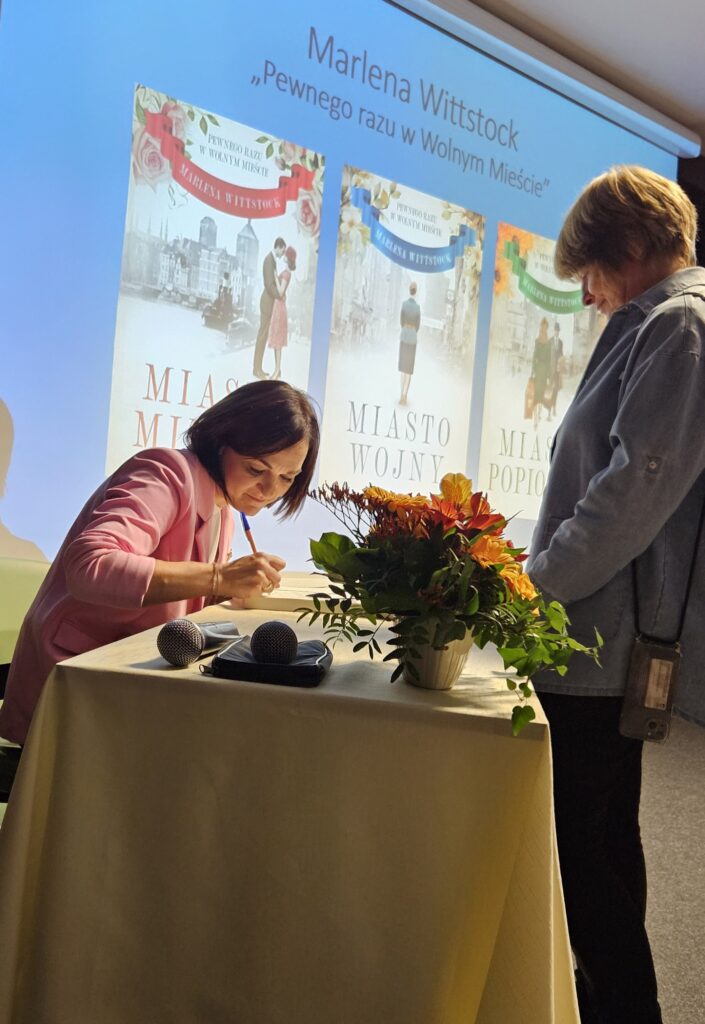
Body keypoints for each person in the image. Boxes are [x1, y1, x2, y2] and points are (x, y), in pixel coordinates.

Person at [527, 165, 704, 1024]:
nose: (589, 296)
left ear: (628, 248)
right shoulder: (661, 324)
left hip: (598, 644)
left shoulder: (677, 325)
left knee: (581, 857)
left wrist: (538, 586)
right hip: (597, 639)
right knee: (600, 846)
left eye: (590, 276)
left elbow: (634, 486)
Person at [0, 380, 320, 747]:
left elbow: (183, 602)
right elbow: (90, 563)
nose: (270, 490)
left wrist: (231, 592)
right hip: (72, 682)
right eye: (255, 469)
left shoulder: (224, 510)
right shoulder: (166, 472)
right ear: (220, 443)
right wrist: (218, 577)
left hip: (130, 680)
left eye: (287, 477)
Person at [253, 238, 286, 379]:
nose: (283, 253)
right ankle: (257, 369)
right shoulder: (269, 260)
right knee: (262, 335)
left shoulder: (271, 260)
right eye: (283, 250)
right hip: (267, 302)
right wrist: (279, 295)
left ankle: (258, 368)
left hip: (268, 302)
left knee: (264, 335)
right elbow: (268, 284)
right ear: (278, 247)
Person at [266, 245, 296, 381]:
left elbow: (281, 292)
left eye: (285, 253)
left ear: (287, 257)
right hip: (279, 306)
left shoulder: (286, 273)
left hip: (279, 307)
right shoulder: (286, 272)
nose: (283, 254)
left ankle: (277, 370)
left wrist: (274, 276)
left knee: (277, 340)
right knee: (276, 341)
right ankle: (277, 369)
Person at [398, 282, 421, 405]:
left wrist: (406, 328)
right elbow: (418, 326)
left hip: (404, 336)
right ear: (416, 292)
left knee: (402, 369)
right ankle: (405, 395)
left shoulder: (404, 304)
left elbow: (401, 322)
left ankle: (400, 393)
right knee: (408, 370)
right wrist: (412, 330)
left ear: (409, 290)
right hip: (412, 339)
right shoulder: (417, 308)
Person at [529, 316, 553, 424]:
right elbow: (534, 356)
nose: (543, 329)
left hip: (543, 373)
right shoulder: (537, 341)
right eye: (542, 327)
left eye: (545, 327)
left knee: (541, 395)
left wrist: (548, 375)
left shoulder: (548, 342)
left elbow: (549, 360)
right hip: (538, 371)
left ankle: (538, 414)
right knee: (535, 395)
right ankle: (535, 418)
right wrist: (532, 371)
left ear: (546, 328)